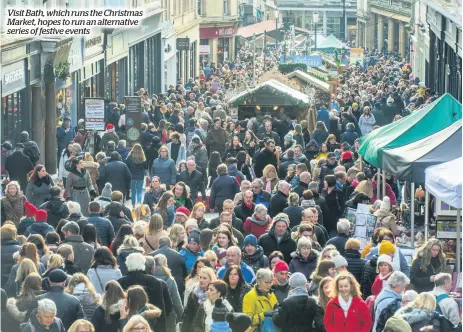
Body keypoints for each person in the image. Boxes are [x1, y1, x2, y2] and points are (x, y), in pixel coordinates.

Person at [117, 253, 172, 332]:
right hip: (152, 323)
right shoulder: (155, 281)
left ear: (127, 264)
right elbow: (160, 306)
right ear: (143, 264)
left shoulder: (120, 282)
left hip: (128, 324)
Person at [152, 254, 184, 332]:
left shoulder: (150, 278)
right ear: (165, 264)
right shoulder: (170, 279)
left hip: (153, 314)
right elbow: (176, 300)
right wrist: (181, 316)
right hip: (169, 315)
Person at [182, 266, 218, 332]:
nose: (201, 280)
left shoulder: (216, 294)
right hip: (194, 328)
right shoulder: (194, 292)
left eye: (204, 278)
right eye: (200, 277)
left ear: (211, 280)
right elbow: (188, 315)